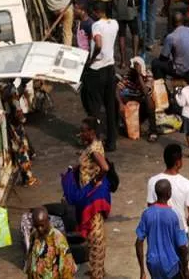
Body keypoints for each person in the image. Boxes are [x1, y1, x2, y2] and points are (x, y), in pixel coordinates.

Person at [136, 179, 189, 279]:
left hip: (152, 264)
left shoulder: (147, 213)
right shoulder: (176, 215)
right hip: (171, 265)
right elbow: (183, 246)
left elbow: (138, 242)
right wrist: (185, 269)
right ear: (169, 193)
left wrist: (142, 271)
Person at [76, 117, 109, 279]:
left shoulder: (94, 149)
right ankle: (97, 270)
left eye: (83, 131)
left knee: (95, 237)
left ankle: (97, 274)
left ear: (92, 132)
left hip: (91, 199)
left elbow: (105, 167)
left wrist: (95, 180)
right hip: (88, 197)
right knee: (94, 234)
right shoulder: (92, 146)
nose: (81, 133)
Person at [85, 0, 119, 151]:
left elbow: (98, 44)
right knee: (110, 106)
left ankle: (96, 141)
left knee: (94, 107)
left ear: (96, 12)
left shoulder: (96, 25)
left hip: (97, 69)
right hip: (109, 67)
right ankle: (112, 141)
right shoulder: (114, 24)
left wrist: (91, 59)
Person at [146, 144, 189, 243]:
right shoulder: (187, 184)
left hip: (160, 234)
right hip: (179, 234)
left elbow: (150, 208)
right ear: (178, 162)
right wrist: (183, 225)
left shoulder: (153, 181)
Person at [24, 207, 77, 279]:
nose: (40, 229)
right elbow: (30, 257)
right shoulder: (34, 234)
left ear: (48, 220)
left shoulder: (58, 239)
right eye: (36, 226)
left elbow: (67, 268)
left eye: (42, 225)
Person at [152, 12, 189, 80]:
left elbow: (163, 58)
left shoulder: (171, 37)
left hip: (182, 70)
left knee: (156, 63)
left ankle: (161, 87)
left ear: (172, 23)